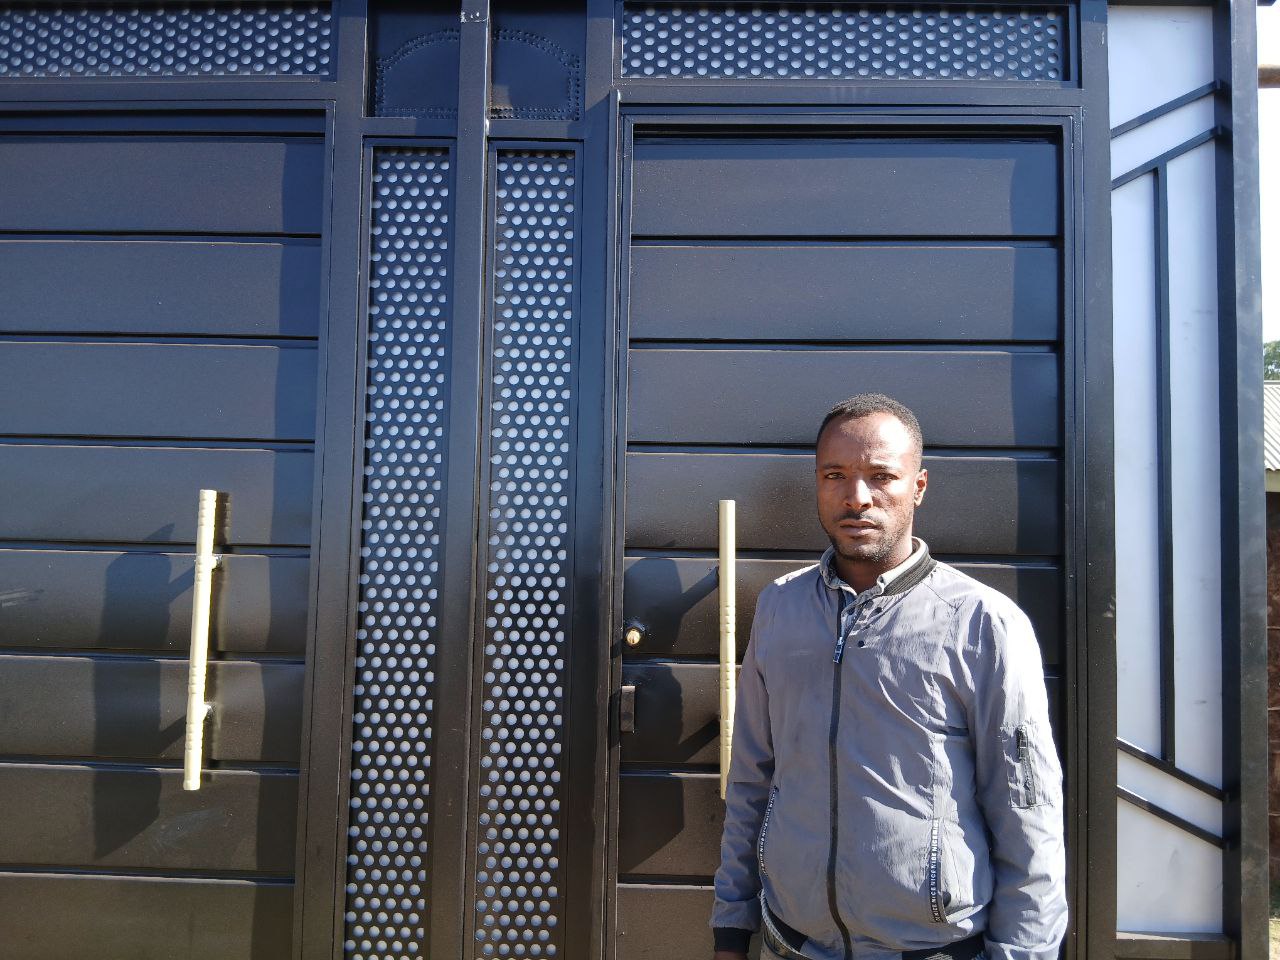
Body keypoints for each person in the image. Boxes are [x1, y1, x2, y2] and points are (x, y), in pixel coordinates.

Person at [710, 394, 1066, 960]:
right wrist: (732, 925)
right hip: (793, 943)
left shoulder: (983, 623)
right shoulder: (780, 607)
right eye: (835, 475)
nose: (856, 497)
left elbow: (1027, 810)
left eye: (881, 476)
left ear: (918, 486)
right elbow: (752, 777)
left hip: (931, 948)